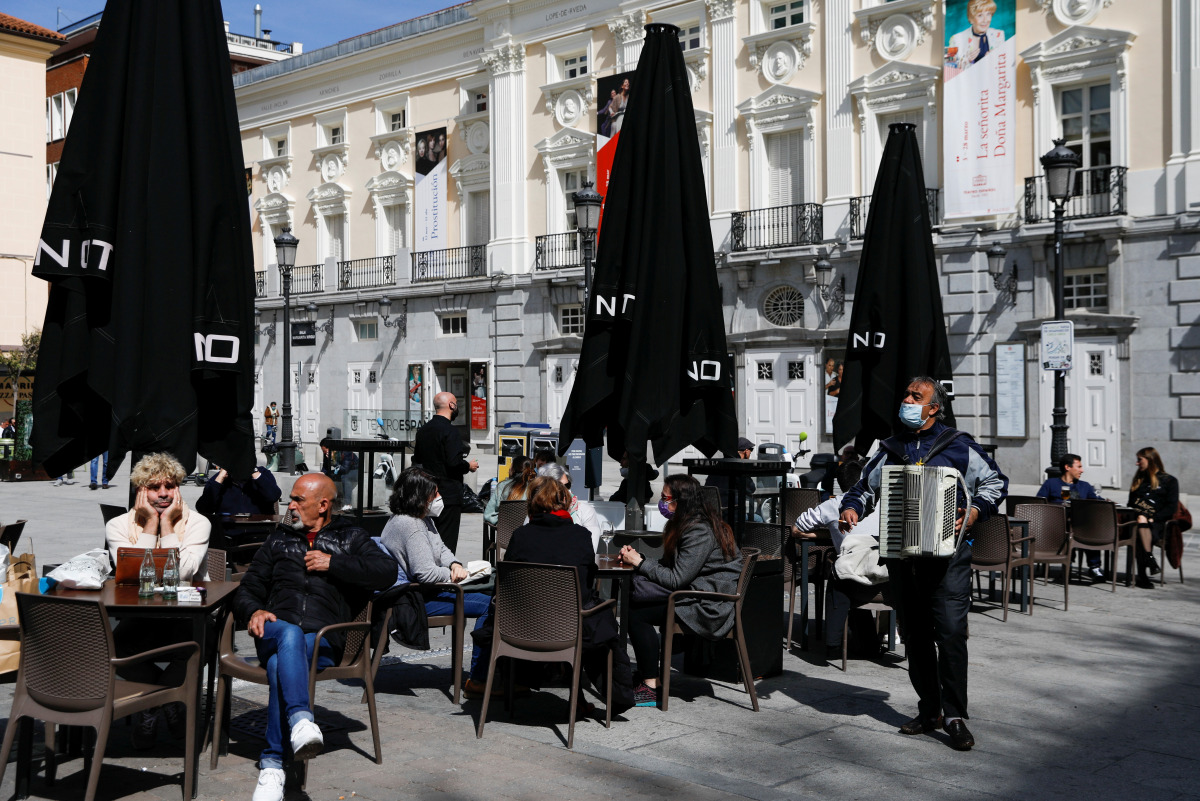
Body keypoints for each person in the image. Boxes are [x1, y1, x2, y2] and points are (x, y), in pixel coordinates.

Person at [838, 376, 1007, 751]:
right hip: (901, 556)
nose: (908, 400)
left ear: (934, 408)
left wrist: (975, 511)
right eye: (907, 394)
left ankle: (955, 714)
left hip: (949, 559)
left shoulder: (959, 447)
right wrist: (851, 507)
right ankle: (929, 709)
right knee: (914, 635)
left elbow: (995, 483)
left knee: (949, 634)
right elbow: (864, 487)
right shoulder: (891, 448)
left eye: (918, 396)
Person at [233, 474, 397, 801]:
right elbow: (247, 590)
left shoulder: (350, 537)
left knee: (282, 663)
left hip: (324, 639)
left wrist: (333, 563)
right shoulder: (279, 539)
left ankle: (272, 766)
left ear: (323, 506)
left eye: (298, 500)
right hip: (275, 630)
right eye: (291, 499)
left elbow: (386, 571)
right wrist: (254, 611)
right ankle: (301, 722)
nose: (289, 506)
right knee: (288, 635)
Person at [470, 476, 633, 711]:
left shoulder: (520, 536)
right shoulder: (580, 536)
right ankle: (613, 697)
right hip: (570, 628)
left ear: (533, 504)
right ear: (565, 502)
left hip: (520, 628)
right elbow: (586, 585)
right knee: (602, 620)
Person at [105, 452, 212, 749]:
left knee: (203, 643)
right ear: (140, 490)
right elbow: (135, 575)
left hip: (186, 616)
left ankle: (151, 704)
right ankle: (165, 701)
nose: (163, 493)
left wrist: (168, 527)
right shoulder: (117, 525)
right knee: (112, 648)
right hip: (140, 616)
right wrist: (151, 525)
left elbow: (181, 574)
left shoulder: (198, 523)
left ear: (178, 488)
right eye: (154, 487)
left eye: (169, 485)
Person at [618, 474, 743, 708]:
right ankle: (650, 677)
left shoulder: (699, 531)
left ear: (681, 500)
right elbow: (675, 567)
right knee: (636, 605)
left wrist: (640, 564)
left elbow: (676, 578)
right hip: (696, 593)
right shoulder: (689, 523)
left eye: (666, 498)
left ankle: (650, 685)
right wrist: (640, 558)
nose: (662, 503)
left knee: (638, 613)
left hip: (709, 605)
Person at [380, 467, 492, 691]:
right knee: (493, 605)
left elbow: (441, 548)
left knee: (491, 589)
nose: (438, 498)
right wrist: (455, 575)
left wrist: (455, 564)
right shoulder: (411, 526)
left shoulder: (421, 519)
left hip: (424, 591)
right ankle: (479, 679)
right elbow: (425, 573)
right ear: (419, 496)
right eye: (434, 494)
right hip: (416, 599)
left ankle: (490, 669)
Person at [793, 459, 888, 658]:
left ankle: (833, 644)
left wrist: (829, 531)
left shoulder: (833, 505)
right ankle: (870, 642)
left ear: (839, 483)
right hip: (886, 581)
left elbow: (797, 529)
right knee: (851, 570)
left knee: (840, 573)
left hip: (855, 585)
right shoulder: (883, 503)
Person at [413, 392, 479, 552]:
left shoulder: (423, 431)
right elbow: (454, 463)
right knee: (446, 543)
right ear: (451, 405)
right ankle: (446, 573)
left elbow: (417, 461)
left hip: (427, 493)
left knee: (428, 539)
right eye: (455, 403)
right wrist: (468, 466)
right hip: (448, 495)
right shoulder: (451, 431)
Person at [1036, 453, 1106, 581]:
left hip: (1080, 527)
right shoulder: (1051, 484)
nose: (1082, 470)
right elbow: (1038, 504)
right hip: (1056, 526)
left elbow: (1097, 502)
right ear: (1067, 467)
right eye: (1079, 466)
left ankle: (1094, 567)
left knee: (1088, 527)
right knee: (1073, 527)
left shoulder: (1084, 486)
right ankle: (1069, 563)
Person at [1127, 447, 1179, 589]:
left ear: (1150, 460)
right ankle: (1150, 560)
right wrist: (1142, 515)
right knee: (1139, 525)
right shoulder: (1138, 480)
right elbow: (1130, 503)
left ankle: (1143, 575)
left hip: (1160, 524)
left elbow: (1171, 507)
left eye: (1139, 460)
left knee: (1141, 527)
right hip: (1138, 521)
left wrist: (1153, 517)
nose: (1137, 463)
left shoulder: (1169, 481)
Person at [537, 462, 602, 547]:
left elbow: (592, 547)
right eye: (559, 487)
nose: (565, 491)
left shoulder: (584, 511)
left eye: (567, 485)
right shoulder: (536, 511)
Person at [196, 462, 282, 517]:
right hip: (227, 535)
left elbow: (274, 496)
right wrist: (219, 480)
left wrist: (254, 472)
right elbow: (203, 509)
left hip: (259, 533)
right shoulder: (218, 480)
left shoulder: (262, 474)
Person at [704, 436, 757, 514]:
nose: (751, 452)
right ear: (746, 451)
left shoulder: (717, 466)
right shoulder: (738, 468)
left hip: (712, 513)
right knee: (759, 519)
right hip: (730, 513)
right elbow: (751, 488)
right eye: (751, 450)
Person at [947, 0, 1004, 70]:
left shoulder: (999, 35)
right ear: (971, 18)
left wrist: (995, 59)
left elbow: (1005, 65)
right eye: (980, 15)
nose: (985, 20)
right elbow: (949, 66)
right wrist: (967, 60)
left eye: (988, 14)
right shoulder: (955, 39)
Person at [483, 455, 533, 526]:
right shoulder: (534, 488)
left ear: (513, 469)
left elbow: (488, 514)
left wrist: (501, 523)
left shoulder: (502, 486)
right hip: (528, 532)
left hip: (504, 532)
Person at [321, 446, 359, 511]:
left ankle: (348, 504)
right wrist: (322, 473)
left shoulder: (346, 452)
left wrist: (334, 462)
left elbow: (345, 469)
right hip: (342, 469)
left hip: (354, 470)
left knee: (346, 478)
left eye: (326, 450)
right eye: (323, 451)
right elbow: (325, 467)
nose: (325, 452)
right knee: (326, 476)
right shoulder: (327, 454)